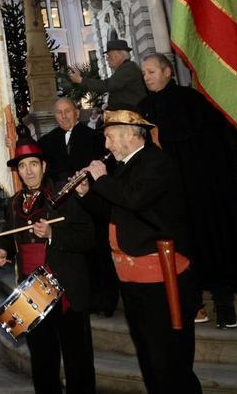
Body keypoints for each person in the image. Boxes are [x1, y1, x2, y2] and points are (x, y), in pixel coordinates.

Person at [140, 53, 237, 328]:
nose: (147, 77)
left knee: (214, 247)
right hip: (169, 198)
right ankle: (194, 305)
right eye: (144, 73)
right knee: (182, 252)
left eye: (151, 71)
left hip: (203, 192)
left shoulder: (192, 101)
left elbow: (217, 140)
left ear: (168, 72)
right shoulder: (142, 109)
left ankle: (224, 306)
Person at [75, 109, 200, 394]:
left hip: (160, 279)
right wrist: (86, 193)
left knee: (170, 361)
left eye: (109, 137)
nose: (106, 145)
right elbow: (112, 211)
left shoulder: (156, 162)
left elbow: (135, 199)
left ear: (131, 134)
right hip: (132, 280)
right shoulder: (125, 166)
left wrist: (103, 180)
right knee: (148, 356)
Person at [0, 138, 97, 394]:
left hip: (66, 288)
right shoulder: (15, 202)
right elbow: (9, 233)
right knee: (41, 359)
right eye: (23, 166)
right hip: (33, 290)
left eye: (33, 164)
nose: (28, 171)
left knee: (77, 360)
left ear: (44, 165)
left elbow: (88, 237)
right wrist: (3, 249)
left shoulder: (65, 194)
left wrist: (52, 234)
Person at [39, 97, 118, 317]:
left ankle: (105, 301)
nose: (63, 116)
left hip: (91, 201)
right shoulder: (46, 142)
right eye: (59, 113)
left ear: (76, 112)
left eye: (67, 111)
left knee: (99, 252)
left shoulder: (94, 137)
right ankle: (83, 299)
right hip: (66, 209)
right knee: (76, 259)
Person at [67, 39, 147, 110]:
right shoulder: (126, 68)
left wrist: (81, 80)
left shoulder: (128, 68)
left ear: (120, 55)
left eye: (109, 56)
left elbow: (107, 85)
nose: (107, 59)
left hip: (132, 116)